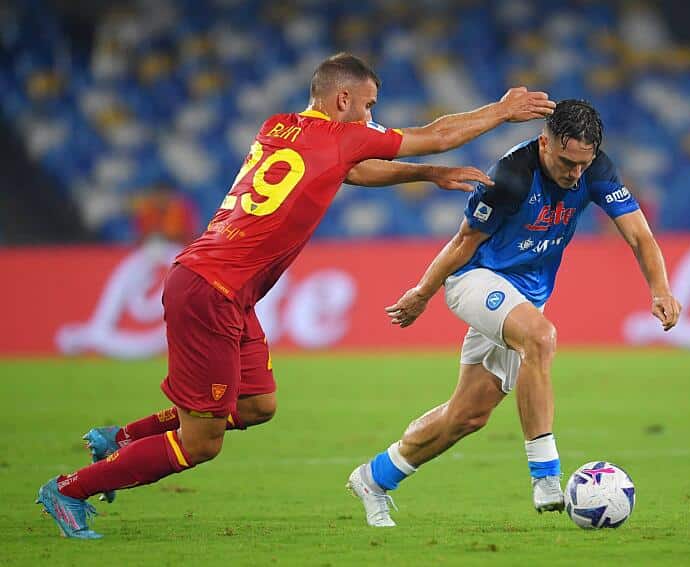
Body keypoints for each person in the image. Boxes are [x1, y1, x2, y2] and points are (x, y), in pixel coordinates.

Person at [36, 52, 556, 539]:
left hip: (222, 286)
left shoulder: (279, 126)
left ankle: (123, 438)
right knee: (201, 442)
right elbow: (437, 133)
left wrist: (428, 175)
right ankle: (70, 489)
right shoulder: (342, 134)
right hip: (211, 290)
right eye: (369, 105)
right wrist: (502, 111)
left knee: (258, 403)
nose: (372, 116)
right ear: (343, 100)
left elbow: (351, 170)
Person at [348, 99, 682, 527]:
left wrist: (660, 290)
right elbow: (463, 243)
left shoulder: (597, 169)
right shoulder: (511, 177)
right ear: (545, 142)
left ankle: (374, 479)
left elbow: (639, 234)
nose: (574, 174)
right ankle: (546, 475)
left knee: (467, 415)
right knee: (540, 338)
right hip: (476, 280)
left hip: (525, 296)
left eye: (583, 163)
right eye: (566, 162)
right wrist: (421, 293)